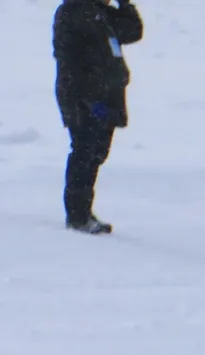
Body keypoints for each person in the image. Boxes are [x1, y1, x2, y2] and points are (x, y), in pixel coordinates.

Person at [52, 0, 142, 235]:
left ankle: (84, 211)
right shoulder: (73, 12)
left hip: (106, 96)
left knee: (97, 153)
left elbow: (133, 30)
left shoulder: (102, 14)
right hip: (81, 95)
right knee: (84, 151)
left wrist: (125, 4)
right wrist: (86, 97)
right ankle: (78, 216)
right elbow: (72, 58)